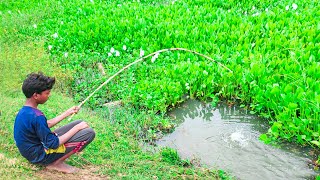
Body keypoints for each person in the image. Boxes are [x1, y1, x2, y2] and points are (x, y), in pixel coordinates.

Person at [14, 72, 95, 173]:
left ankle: (56, 159)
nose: (49, 95)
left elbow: (45, 125)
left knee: (79, 122)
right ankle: (55, 163)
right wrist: (77, 128)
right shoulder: (37, 116)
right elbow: (53, 143)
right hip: (39, 156)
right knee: (89, 133)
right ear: (36, 95)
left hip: (31, 152)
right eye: (47, 93)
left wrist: (67, 113)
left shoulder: (26, 111)